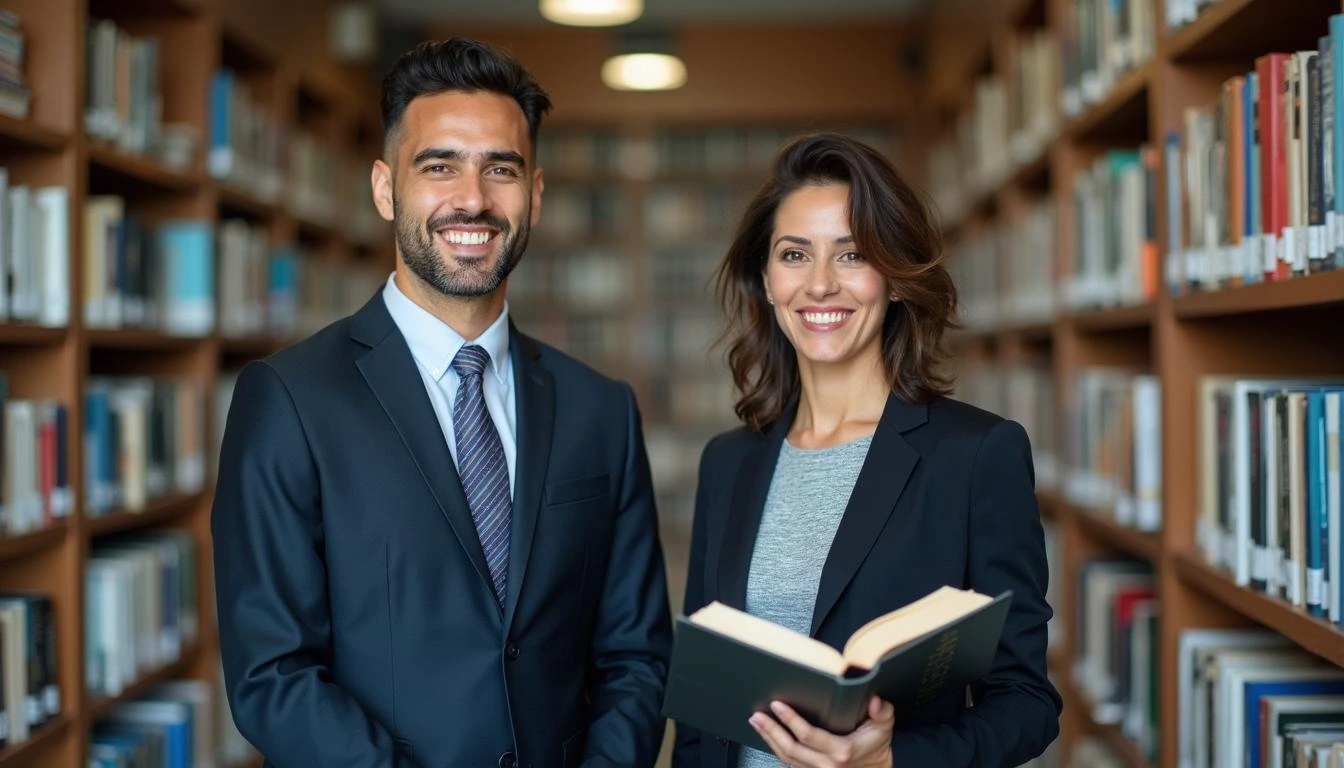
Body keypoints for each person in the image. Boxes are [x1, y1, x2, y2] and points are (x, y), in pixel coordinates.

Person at [211, 37, 674, 768]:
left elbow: (637, 657)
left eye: (502, 169)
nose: (473, 199)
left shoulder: (601, 410)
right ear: (385, 188)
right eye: (439, 166)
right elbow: (273, 674)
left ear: (537, 195)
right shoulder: (290, 400)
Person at [670, 132, 1061, 768]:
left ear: (898, 280)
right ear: (766, 282)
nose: (820, 285)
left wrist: (891, 760)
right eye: (794, 255)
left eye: (852, 256)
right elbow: (698, 699)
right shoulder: (729, 461)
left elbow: (1025, 701)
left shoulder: (976, 455)